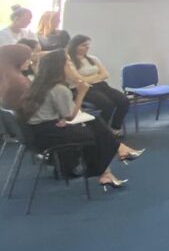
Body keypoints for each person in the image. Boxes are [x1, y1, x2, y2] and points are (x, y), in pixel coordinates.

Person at [19, 50, 138, 189]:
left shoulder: (38, 84)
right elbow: (70, 115)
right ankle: (109, 164)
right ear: (60, 66)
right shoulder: (58, 88)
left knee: (94, 122)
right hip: (49, 135)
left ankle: (110, 166)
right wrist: (81, 93)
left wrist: (61, 117)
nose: (72, 65)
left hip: (37, 133)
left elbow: (56, 112)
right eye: (69, 62)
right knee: (96, 134)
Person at [66, 34, 131, 132]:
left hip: (102, 86)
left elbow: (105, 74)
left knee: (124, 100)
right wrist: (97, 76)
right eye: (84, 45)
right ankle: (102, 131)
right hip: (84, 89)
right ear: (75, 46)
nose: (87, 47)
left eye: (88, 45)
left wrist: (88, 78)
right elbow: (79, 80)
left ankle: (115, 128)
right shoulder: (69, 62)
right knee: (107, 105)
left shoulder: (93, 59)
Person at [0, 43, 32, 110]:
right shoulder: (18, 82)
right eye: (27, 59)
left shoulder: (5, 76)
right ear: (17, 59)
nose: (30, 62)